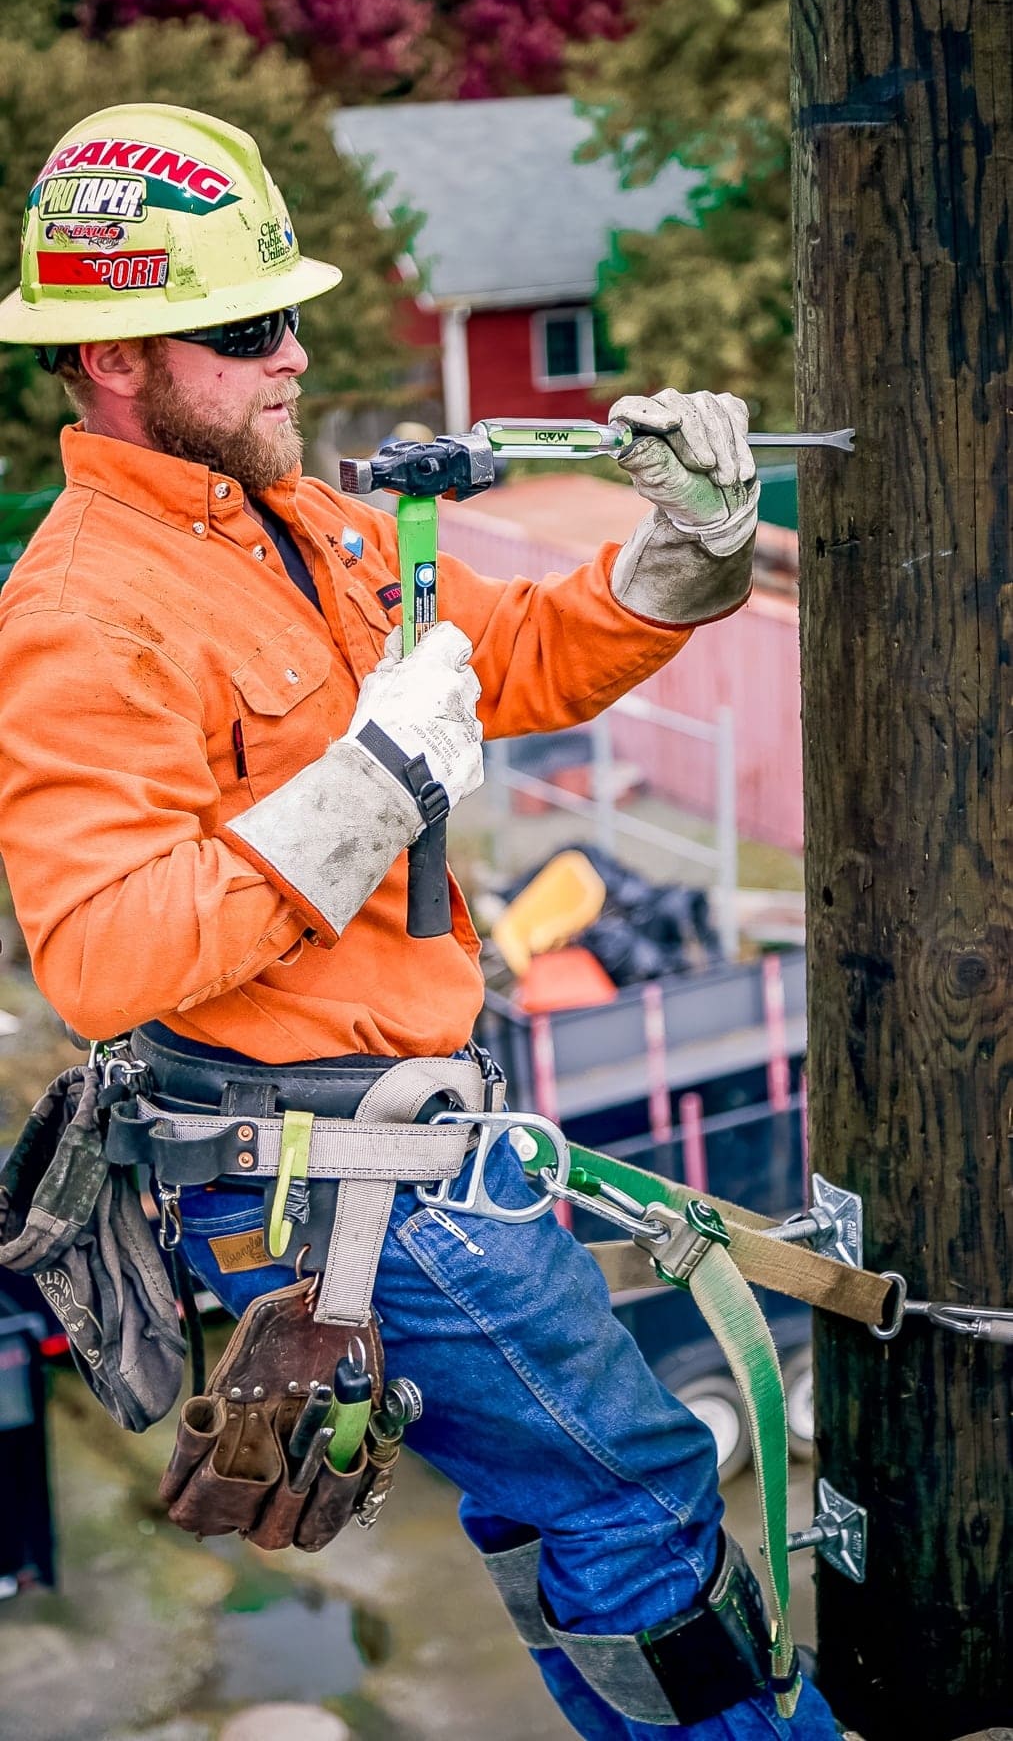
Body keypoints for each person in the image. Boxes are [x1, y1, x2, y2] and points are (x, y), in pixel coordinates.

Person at [0, 104, 839, 1740]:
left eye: (289, 316)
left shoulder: (293, 524)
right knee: (636, 1495)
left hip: (403, 1149)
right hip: (329, 1181)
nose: (296, 358)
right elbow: (98, 954)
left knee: (582, 1505)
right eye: (247, 330)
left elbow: (512, 652)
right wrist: (368, 789)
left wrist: (682, 555)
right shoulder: (81, 611)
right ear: (116, 356)